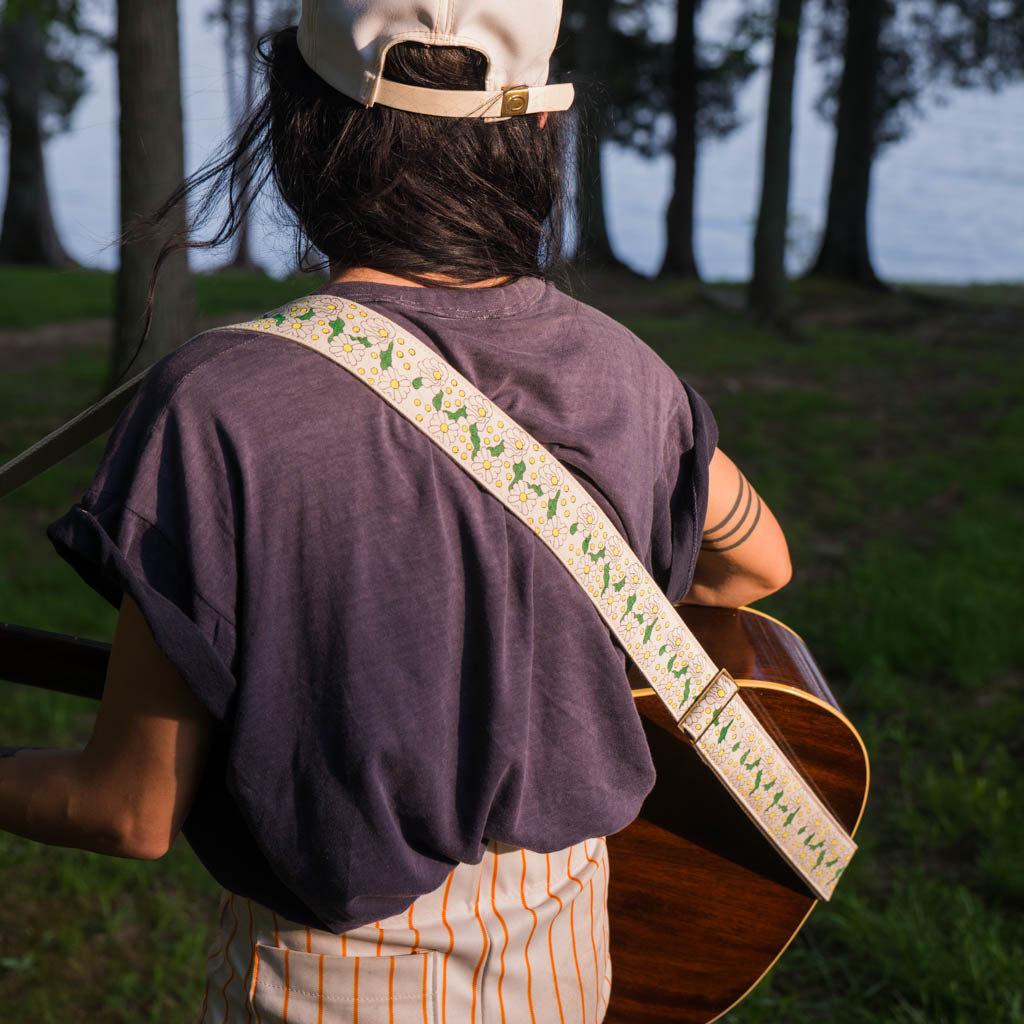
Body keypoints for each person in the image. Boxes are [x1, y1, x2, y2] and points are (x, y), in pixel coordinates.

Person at [0, 2, 791, 1021]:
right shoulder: (626, 372)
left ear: (300, 128)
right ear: (539, 132)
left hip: (333, 990)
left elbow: (129, 809)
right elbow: (751, 566)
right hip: (565, 962)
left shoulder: (219, 406)